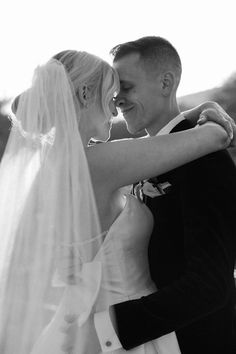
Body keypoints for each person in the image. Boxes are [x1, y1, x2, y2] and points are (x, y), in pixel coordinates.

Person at [0, 49, 234, 354]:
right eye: (111, 97)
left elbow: (158, 142)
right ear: (85, 93)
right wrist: (213, 113)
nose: (115, 111)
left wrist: (196, 110)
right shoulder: (97, 162)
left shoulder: (58, 163)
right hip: (123, 331)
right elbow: (214, 138)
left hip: (80, 322)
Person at [89, 36, 236, 354]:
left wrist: (108, 330)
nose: (117, 102)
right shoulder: (140, 158)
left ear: (166, 83)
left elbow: (210, 285)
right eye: (114, 93)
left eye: (126, 88)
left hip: (195, 341)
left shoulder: (204, 158)